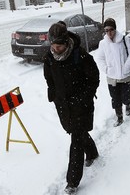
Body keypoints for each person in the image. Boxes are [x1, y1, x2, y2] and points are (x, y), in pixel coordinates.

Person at [43, 21, 100, 195]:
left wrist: (83, 98)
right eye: (53, 45)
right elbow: (49, 78)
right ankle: (92, 153)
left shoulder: (80, 56)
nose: (55, 49)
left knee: (76, 139)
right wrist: (53, 95)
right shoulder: (50, 58)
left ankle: (72, 182)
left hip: (81, 105)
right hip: (63, 106)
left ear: (66, 42)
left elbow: (94, 79)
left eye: (59, 46)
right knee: (78, 133)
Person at [96, 18, 130, 126]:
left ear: (115, 29)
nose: (109, 32)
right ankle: (119, 117)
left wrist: (126, 67)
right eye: (106, 30)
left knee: (126, 97)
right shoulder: (103, 43)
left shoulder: (125, 40)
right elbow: (100, 58)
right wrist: (106, 69)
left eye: (111, 29)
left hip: (125, 76)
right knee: (115, 99)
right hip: (112, 77)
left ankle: (128, 105)